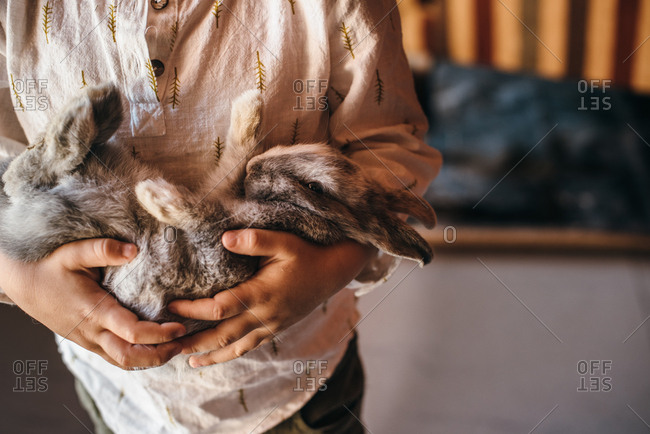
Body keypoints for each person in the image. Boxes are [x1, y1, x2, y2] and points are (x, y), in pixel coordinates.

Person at [0, 1, 441, 432]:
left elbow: (388, 144)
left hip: (292, 382)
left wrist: (334, 264)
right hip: (117, 394)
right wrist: (17, 276)